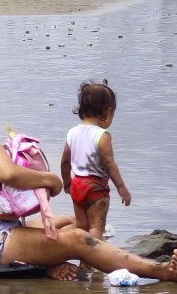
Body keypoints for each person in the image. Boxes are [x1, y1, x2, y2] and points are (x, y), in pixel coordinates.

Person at [0, 78, 177, 283]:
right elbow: (9, 174)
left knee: (65, 222)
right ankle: (159, 270)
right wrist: (50, 180)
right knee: (78, 239)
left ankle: (45, 266)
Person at [61, 82, 130, 241]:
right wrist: (121, 187)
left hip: (77, 185)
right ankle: (96, 254)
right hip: (95, 188)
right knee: (96, 227)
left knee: (82, 227)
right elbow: (109, 164)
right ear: (109, 111)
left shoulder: (72, 132)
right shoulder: (102, 135)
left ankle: (81, 255)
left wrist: (67, 181)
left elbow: (65, 160)